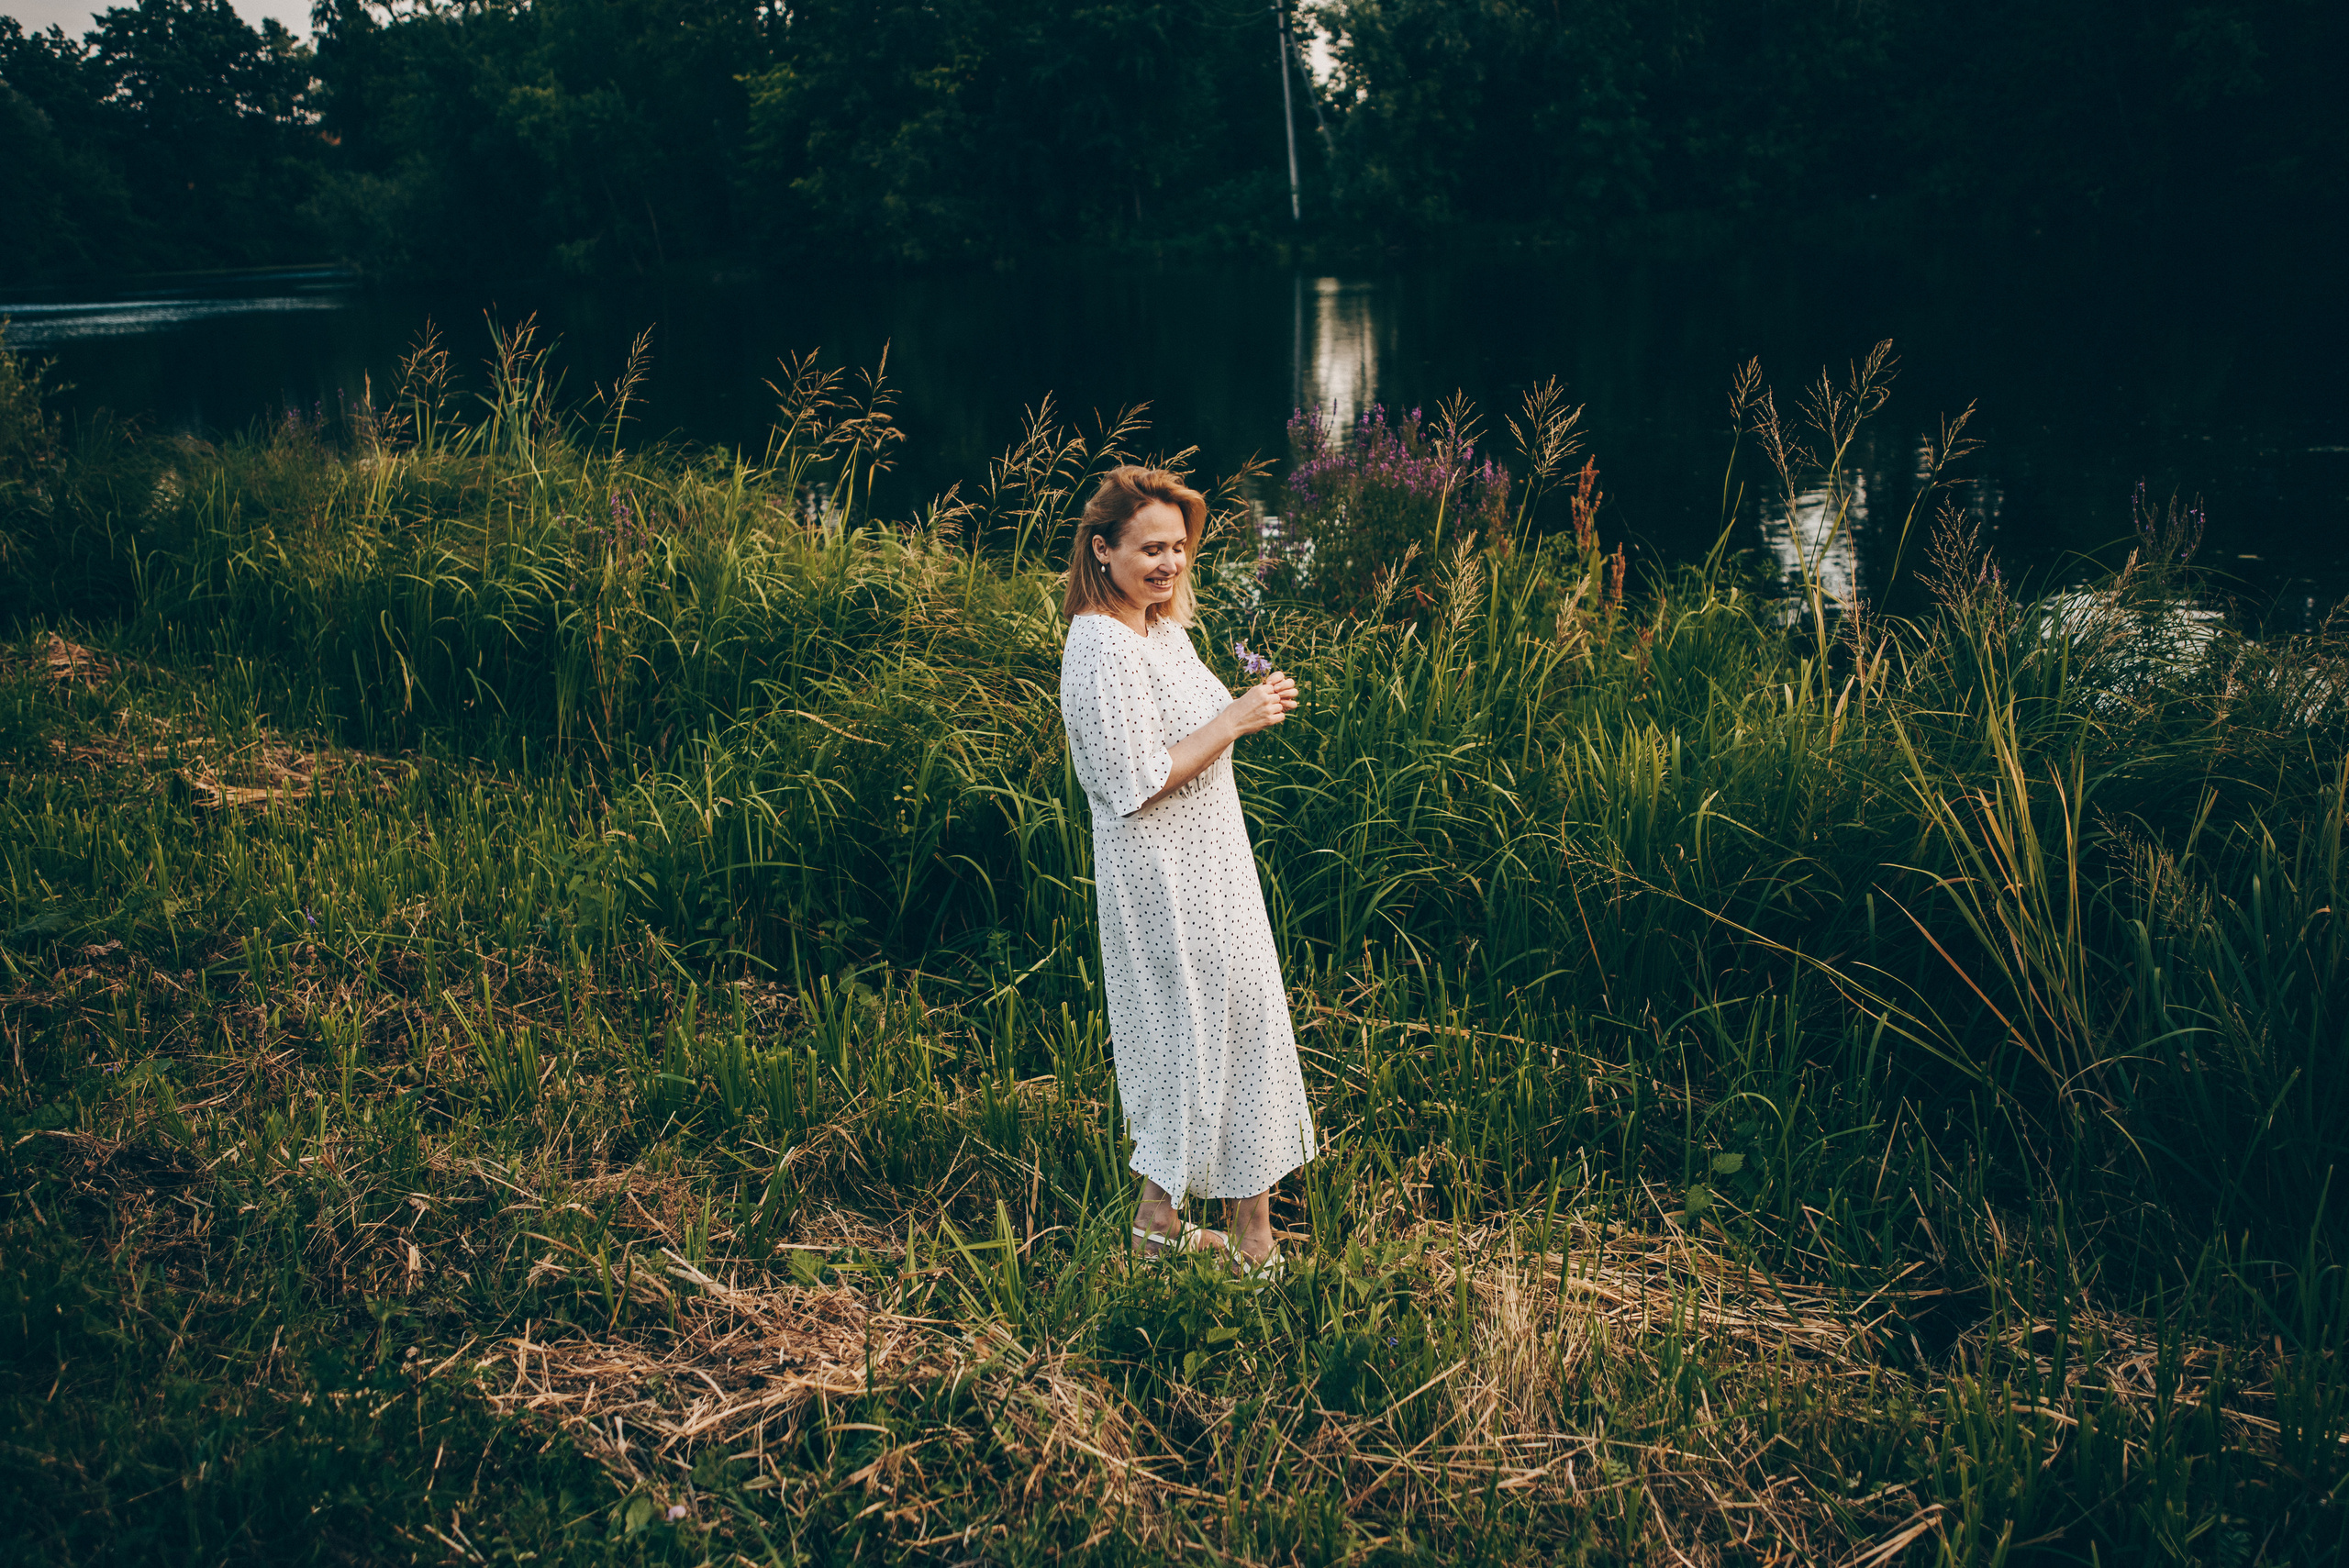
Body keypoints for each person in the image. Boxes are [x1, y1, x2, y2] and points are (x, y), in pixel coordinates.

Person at [1057, 465, 1316, 1275]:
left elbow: (1189, 730)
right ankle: (1192, 1232)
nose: (1169, 563)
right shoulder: (1100, 644)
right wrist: (1235, 717)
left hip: (1215, 870)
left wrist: (1247, 709)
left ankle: (1207, 1228)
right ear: (1103, 550)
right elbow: (1131, 781)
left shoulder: (1158, 628)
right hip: (1164, 884)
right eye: (1150, 549)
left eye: (1178, 547)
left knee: (1239, 1031)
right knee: (1192, 1039)